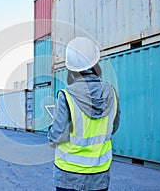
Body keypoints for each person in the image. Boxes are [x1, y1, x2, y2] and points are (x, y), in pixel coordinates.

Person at [48, 37, 120, 191]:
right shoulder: (111, 93)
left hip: (68, 173)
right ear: (95, 62)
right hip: (99, 173)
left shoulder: (66, 95)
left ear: (71, 67)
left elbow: (57, 135)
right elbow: (113, 127)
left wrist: (51, 132)